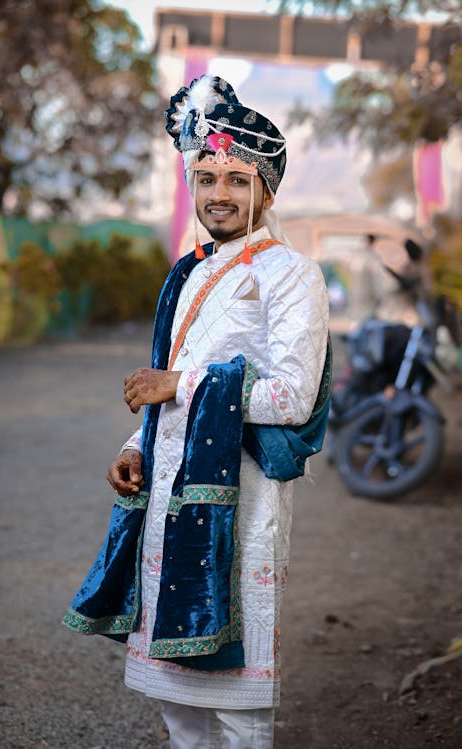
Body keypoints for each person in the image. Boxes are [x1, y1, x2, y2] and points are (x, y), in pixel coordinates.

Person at [62, 75, 330, 749]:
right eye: (206, 177)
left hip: (240, 506)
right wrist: (134, 445)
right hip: (166, 495)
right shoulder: (189, 271)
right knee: (175, 698)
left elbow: (292, 396)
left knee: (239, 705)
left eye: (238, 180)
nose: (219, 194)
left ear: (267, 190)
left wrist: (178, 385)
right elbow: (169, 386)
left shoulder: (291, 276)